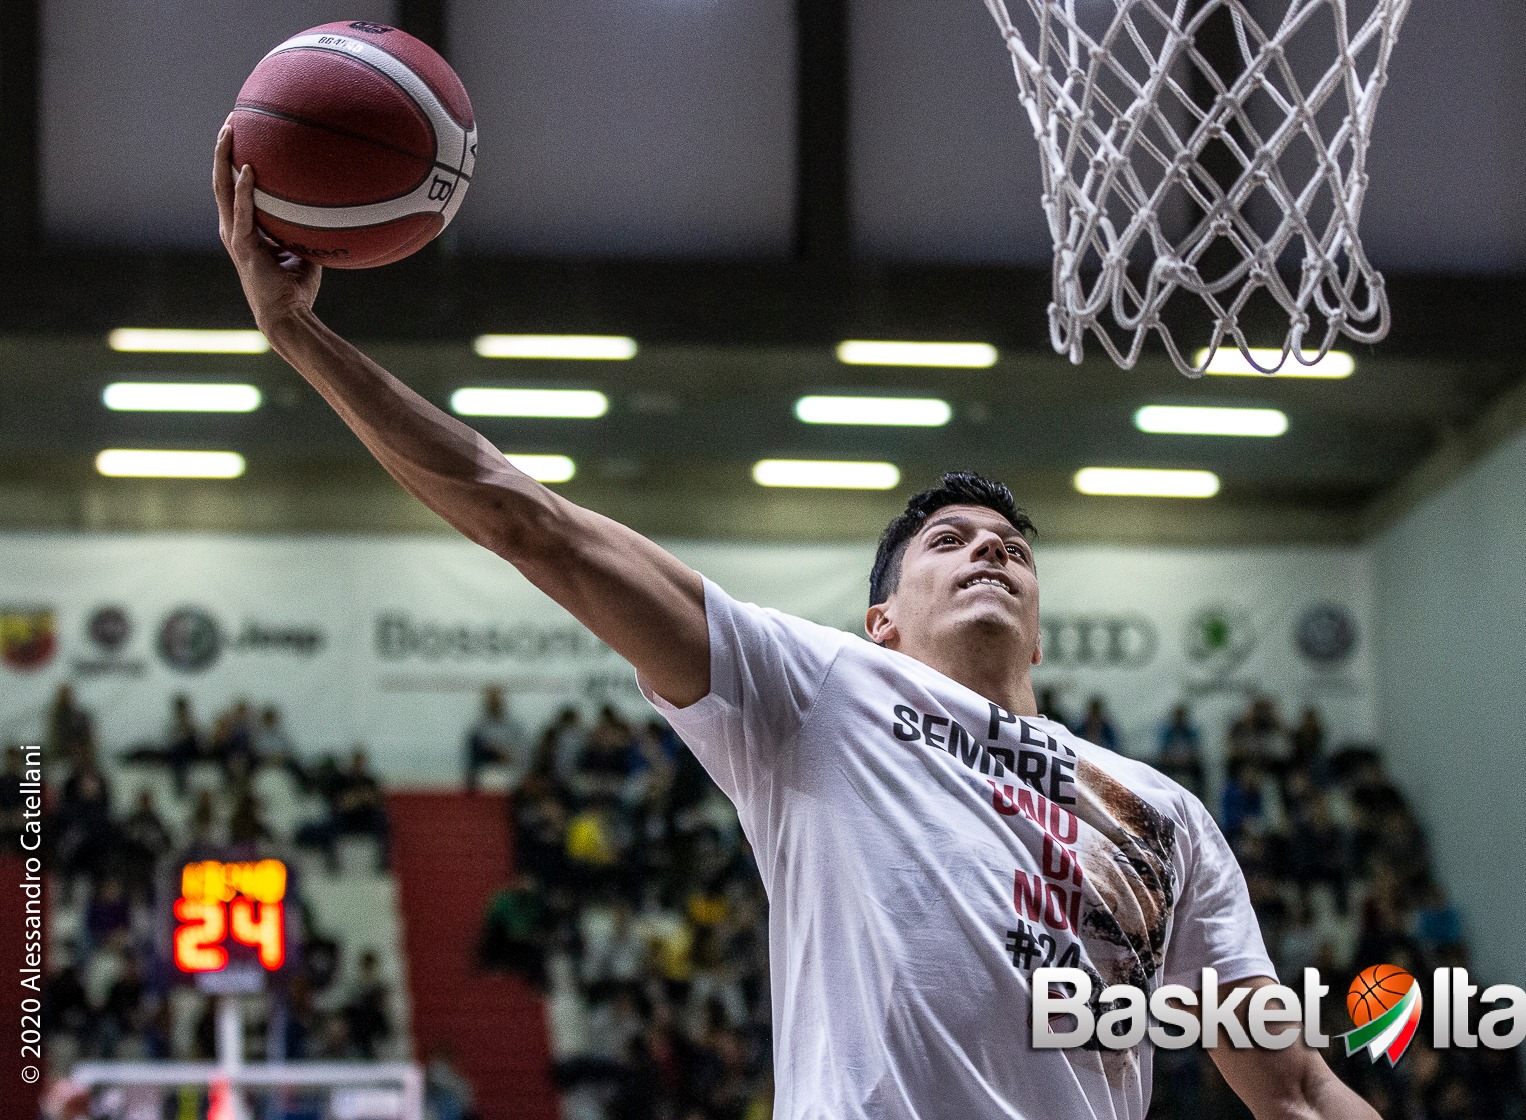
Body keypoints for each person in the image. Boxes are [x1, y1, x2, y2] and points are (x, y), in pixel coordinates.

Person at [215, 126, 1379, 1120]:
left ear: (1039, 633)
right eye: (950, 541)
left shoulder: (1161, 816)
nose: (993, 549)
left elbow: (1294, 1090)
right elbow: (534, 523)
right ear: (881, 621)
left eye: (1013, 548)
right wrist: (302, 339)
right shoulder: (816, 693)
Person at [465, 685, 525, 792]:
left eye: (496, 700)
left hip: (511, 770)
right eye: (491, 701)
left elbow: (521, 753)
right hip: (486, 770)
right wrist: (495, 751)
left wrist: (506, 754)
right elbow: (476, 756)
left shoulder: (514, 726)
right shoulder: (478, 727)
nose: (494, 704)